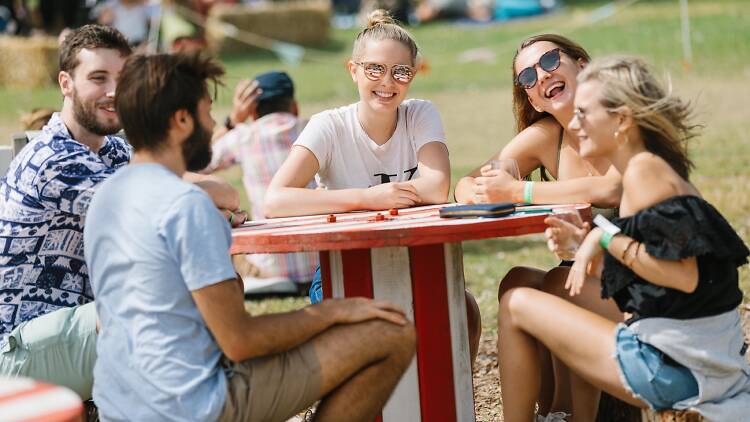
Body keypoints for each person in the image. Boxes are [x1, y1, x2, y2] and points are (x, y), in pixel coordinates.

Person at [85, 51, 416, 422]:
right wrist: (331, 311)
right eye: (207, 112)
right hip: (192, 408)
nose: (213, 125)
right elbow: (241, 341)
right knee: (392, 332)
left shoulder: (105, 200)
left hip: (121, 407)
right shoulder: (186, 206)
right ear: (182, 120)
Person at [497, 55, 750, 421]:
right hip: (702, 367)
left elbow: (684, 276)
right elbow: (658, 270)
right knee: (552, 295)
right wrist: (584, 239)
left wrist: (602, 238)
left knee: (516, 302)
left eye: (585, 113)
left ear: (622, 120)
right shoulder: (650, 168)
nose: (576, 123)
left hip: (676, 370)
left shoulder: (645, 172)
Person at [0, 24, 242, 400]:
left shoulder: (111, 150)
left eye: (122, 78)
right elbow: (184, 197)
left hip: (77, 330)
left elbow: (191, 194)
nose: (114, 92)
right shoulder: (53, 158)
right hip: (20, 346)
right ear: (65, 83)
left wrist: (208, 200)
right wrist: (210, 198)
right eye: (98, 78)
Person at [264, 9, 482, 364]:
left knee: (467, 310)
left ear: (413, 75)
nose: (388, 82)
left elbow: (437, 187)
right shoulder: (328, 126)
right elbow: (276, 200)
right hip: (344, 265)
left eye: (401, 72)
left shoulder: (420, 114)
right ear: (354, 70)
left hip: (414, 258)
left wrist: (334, 200)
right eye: (375, 69)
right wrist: (368, 198)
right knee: (359, 335)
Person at [454, 34, 624, 418]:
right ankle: (548, 414)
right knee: (515, 280)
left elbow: (612, 188)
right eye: (527, 77)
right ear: (530, 98)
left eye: (549, 62)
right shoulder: (549, 134)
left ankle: (569, 413)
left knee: (554, 284)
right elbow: (464, 183)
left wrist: (521, 190)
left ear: (582, 65)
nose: (541, 76)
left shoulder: (619, 115)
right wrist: (484, 192)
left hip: (642, 276)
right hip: (592, 273)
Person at [205, 71, 318, 294]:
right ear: (294, 106)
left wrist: (233, 121)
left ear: (252, 111)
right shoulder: (314, 129)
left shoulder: (243, 136)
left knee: (229, 216)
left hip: (270, 267)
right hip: (321, 260)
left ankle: (261, 279)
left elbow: (197, 165)